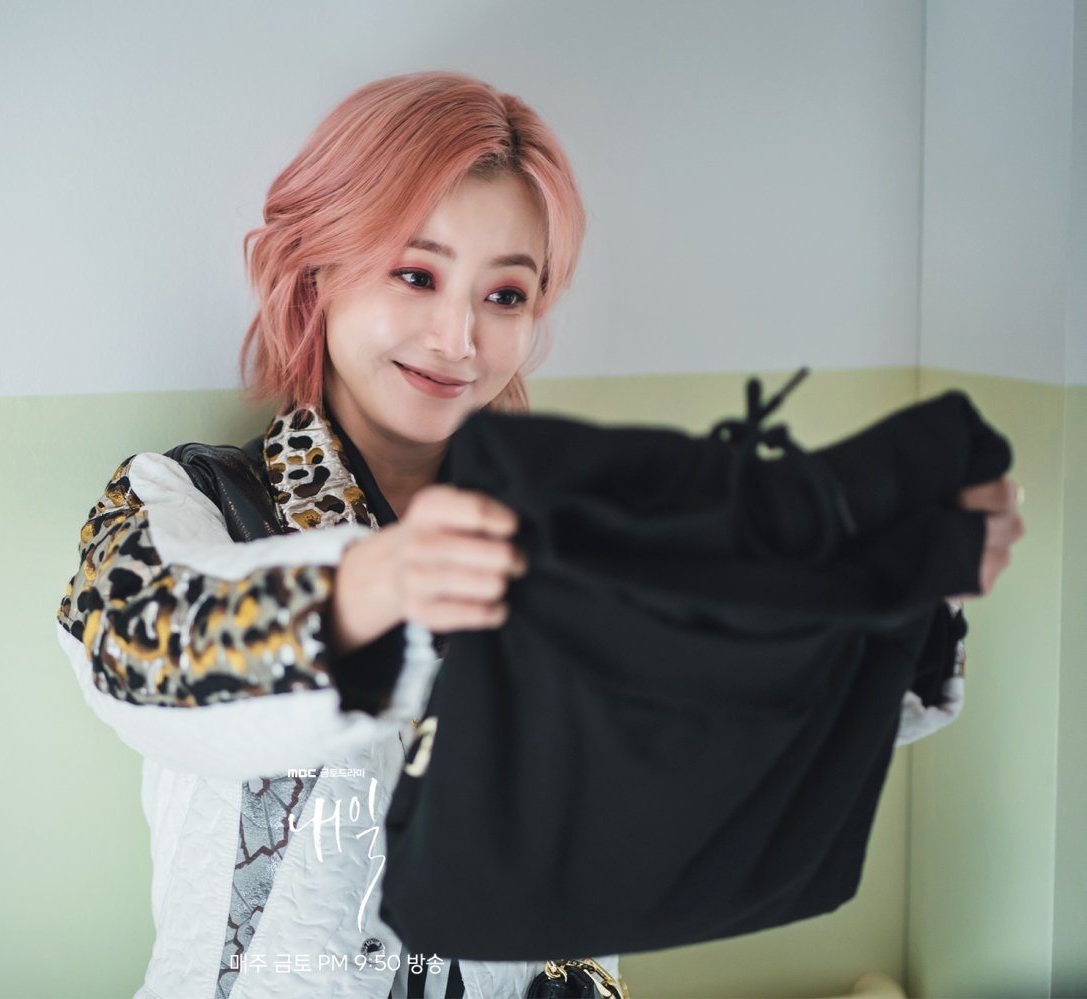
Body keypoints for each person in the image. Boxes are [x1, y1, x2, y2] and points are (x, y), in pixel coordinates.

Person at [55, 71, 1024, 999]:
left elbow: (738, 720)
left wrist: (901, 586)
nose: (460, 339)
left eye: (506, 295)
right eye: (416, 274)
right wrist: (380, 583)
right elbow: (141, 649)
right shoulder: (185, 503)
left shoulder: (585, 533)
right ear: (316, 270)